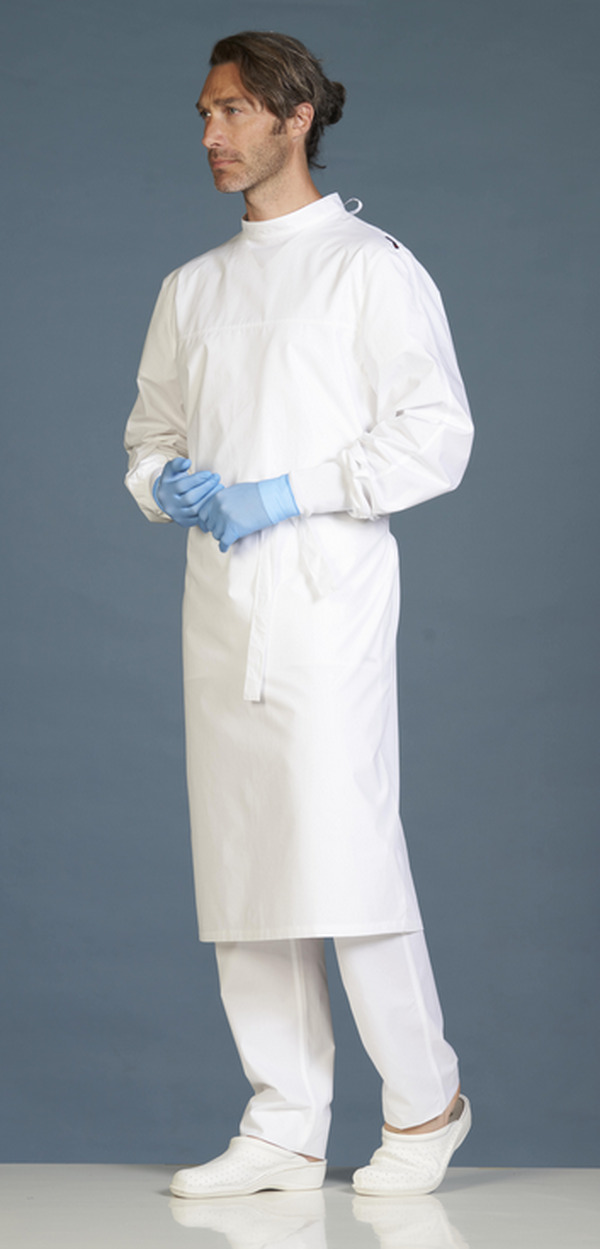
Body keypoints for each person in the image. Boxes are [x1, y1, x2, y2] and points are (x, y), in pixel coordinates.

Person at [124, 30, 474, 1200]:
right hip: (222, 603)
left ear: (296, 116)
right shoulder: (194, 288)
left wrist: (291, 489)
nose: (211, 134)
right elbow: (152, 434)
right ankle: (284, 1121)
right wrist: (166, 484)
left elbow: (435, 436)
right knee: (243, 857)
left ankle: (425, 1103)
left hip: (328, 598)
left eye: (232, 110)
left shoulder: (370, 268)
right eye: (203, 113)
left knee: (343, 849)